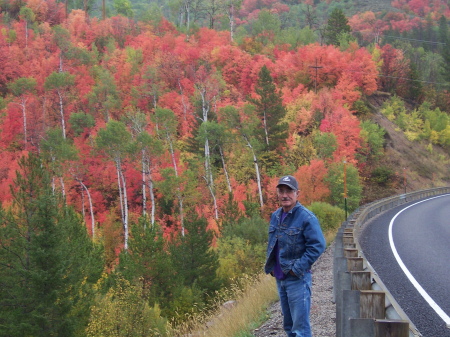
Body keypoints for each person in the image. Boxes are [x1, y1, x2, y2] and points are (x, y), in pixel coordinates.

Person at [264, 175, 326, 337]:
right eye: (281, 191)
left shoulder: (306, 217)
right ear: (278, 194)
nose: (285, 195)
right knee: (289, 326)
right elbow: (273, 243)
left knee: (300, 329)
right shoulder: (276, 216)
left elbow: (318, 245)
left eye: (289, 191)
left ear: (297, 193)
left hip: (297, 279)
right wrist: (271, 267)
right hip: (280, 278)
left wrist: (296, 268)